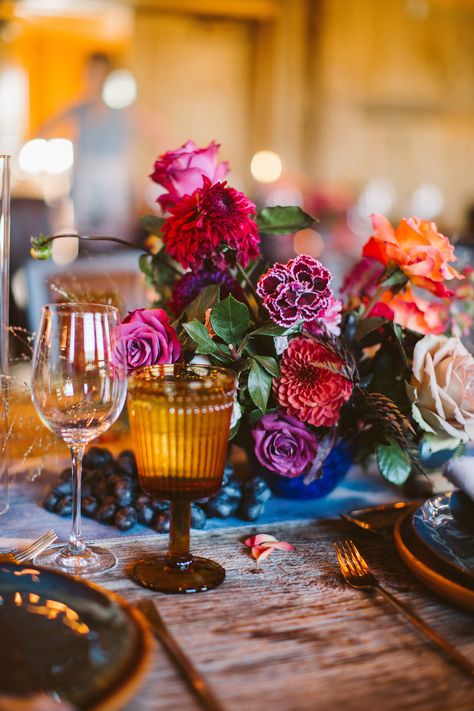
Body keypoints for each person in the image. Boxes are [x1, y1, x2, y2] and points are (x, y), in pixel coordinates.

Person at [39, 52, 133, 240]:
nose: (93, 80)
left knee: (114, 234)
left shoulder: (123, 110)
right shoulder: (80, 107)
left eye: (98, 74)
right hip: (85, 179)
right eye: (90, 74)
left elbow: (157, 130)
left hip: (113, 181)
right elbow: (45, 127)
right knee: (84, 235)